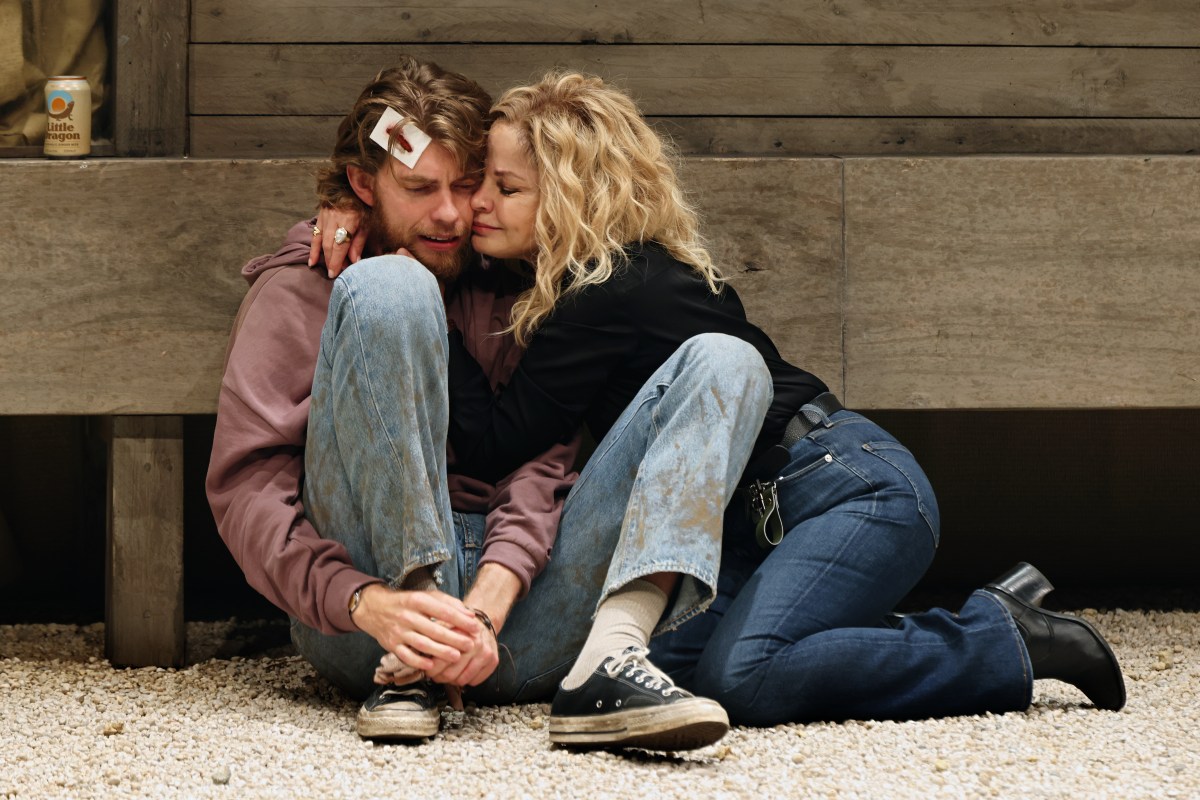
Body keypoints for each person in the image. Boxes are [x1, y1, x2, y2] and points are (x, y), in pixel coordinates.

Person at [326, 70, 1126, 727]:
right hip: (751, 523)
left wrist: (420, 302)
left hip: (845, 485)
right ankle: (966, 625)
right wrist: (353, 211)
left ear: (569, 198)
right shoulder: (581, 283)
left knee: (747, 679)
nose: (475, 210)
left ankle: (1003, 639)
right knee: (665, 661)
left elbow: (497, 438)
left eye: (502, 188)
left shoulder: (608, 292)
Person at [210, 57, 760, 752]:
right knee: (392, 287)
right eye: (417, 187)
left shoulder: (511, 281)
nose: (448, 212)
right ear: (361, 184)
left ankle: (606, 668)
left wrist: (489, 603)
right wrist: (368, 602)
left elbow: (542, 460)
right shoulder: (305, 289)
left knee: (728, 357)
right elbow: (247, 489)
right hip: (371, 633)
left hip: (521, 614)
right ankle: (415, 648)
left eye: (467, 185)